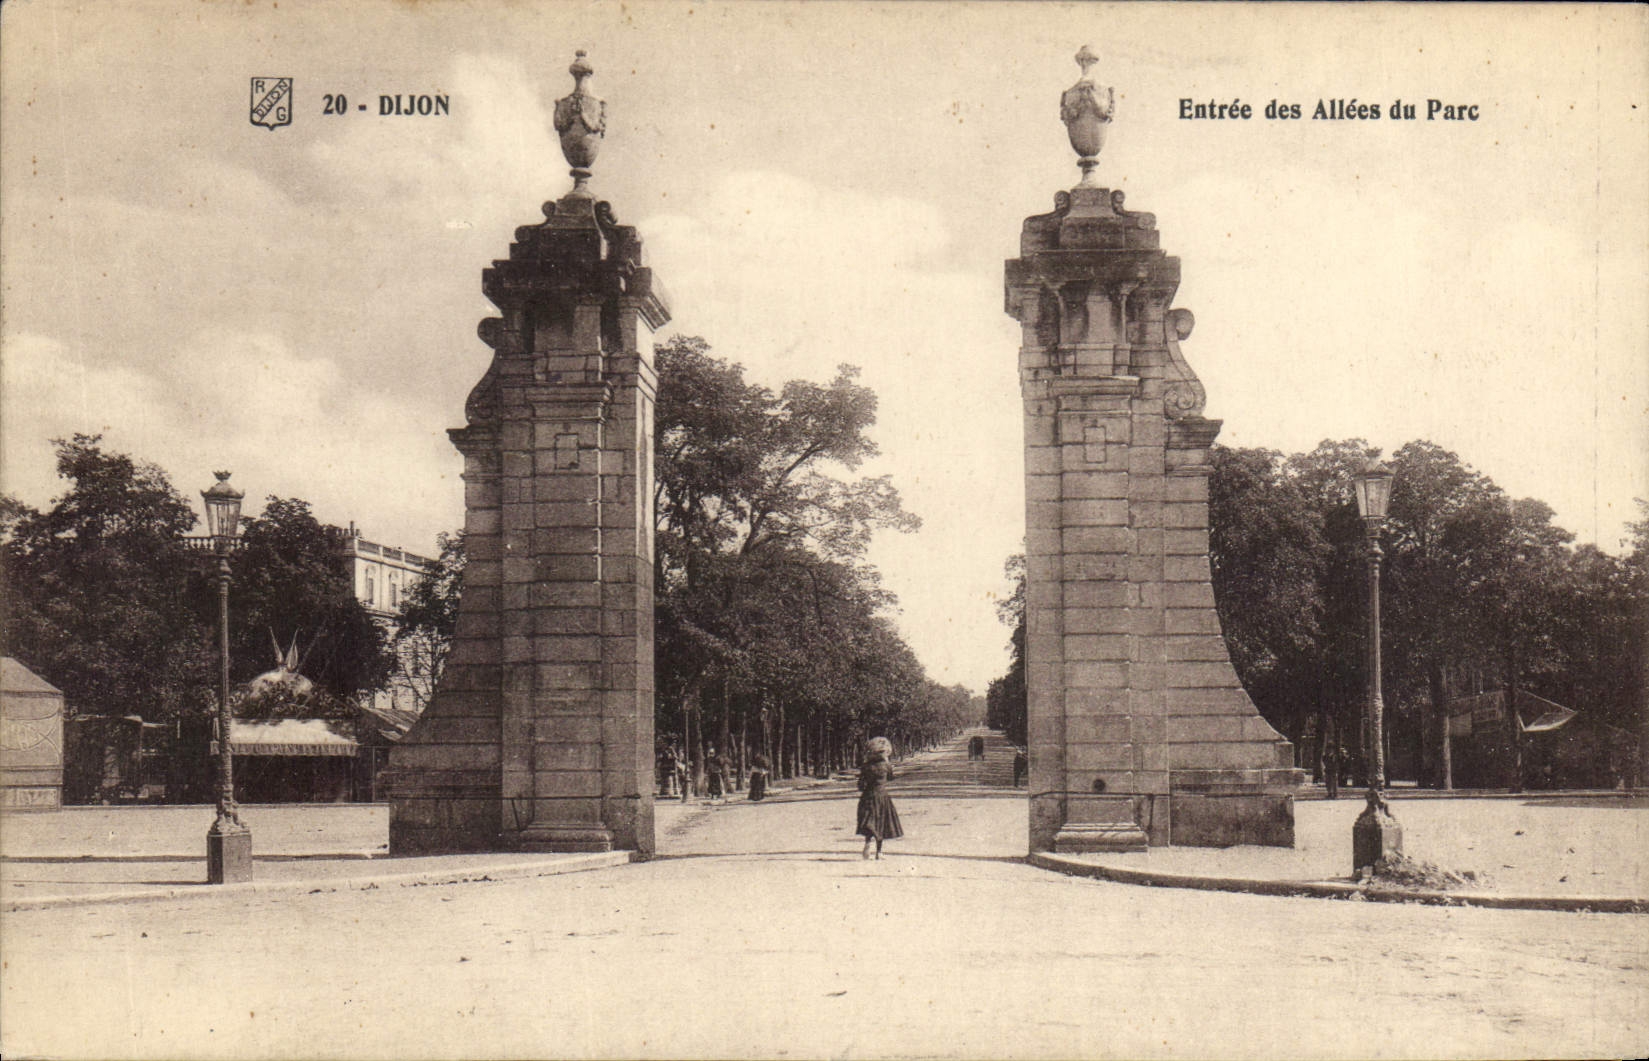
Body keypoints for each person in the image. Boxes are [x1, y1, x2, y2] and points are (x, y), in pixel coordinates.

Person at [856, 736, 903, 859]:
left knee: (870, 821)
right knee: (881, 823)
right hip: (882, 795)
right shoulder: (886, 766)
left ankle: (867, 843)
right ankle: (879, 852)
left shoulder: (866, 766)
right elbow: (891, 778)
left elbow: (860, 785)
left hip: (868, 796)